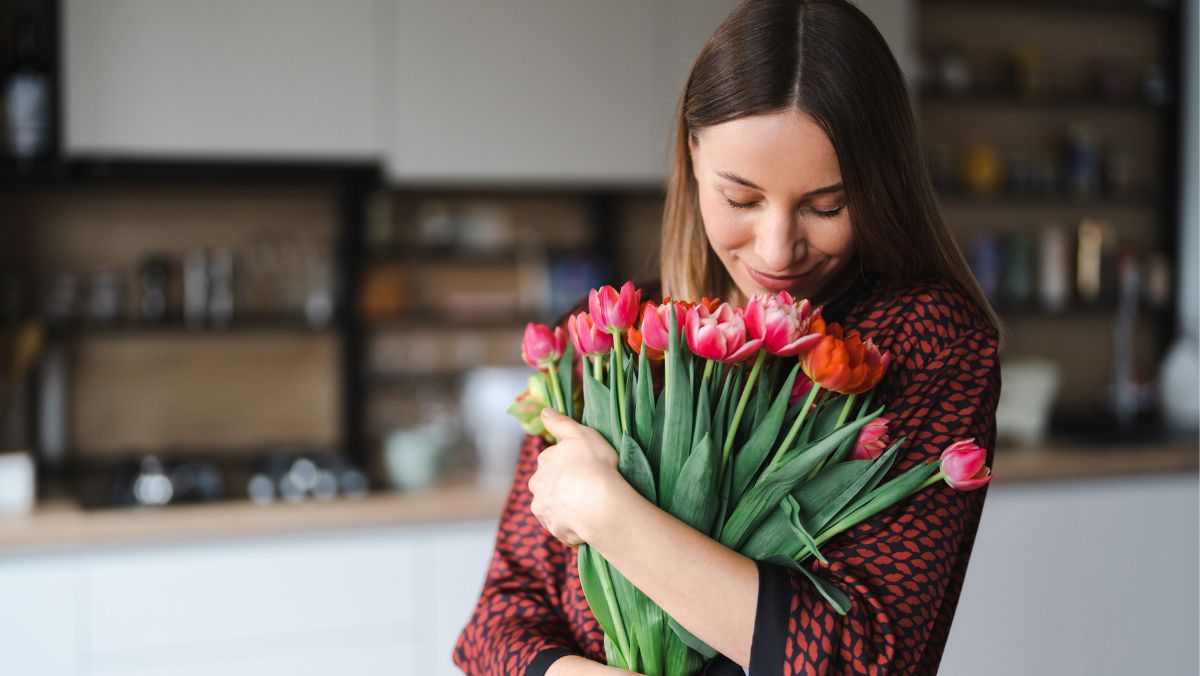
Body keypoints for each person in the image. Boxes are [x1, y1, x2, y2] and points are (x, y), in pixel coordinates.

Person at [454, 0, 1002, 674]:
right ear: (692, 156)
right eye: (741, 199)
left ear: (881, 184)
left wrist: (605, 511)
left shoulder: (924, 341)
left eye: (826, 205)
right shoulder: (614, 342)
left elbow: (861, 659)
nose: (778, 249)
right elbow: (492, 631)